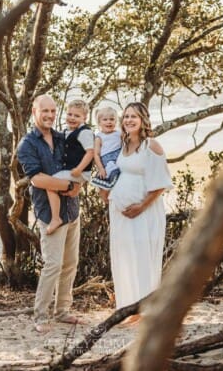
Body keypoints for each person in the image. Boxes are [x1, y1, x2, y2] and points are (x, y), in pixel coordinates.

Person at [17, 94, 84, 334]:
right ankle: (40, 314)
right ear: (34, 111)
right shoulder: (27, 144)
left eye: (53, 111)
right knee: (52, 264)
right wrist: (67, 186)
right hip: (49, 214)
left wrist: (78, 184)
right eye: (44, 111)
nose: (49, 115)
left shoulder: (62, 137)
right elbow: (37, 179)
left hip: (72, 210)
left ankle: (63, 310)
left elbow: (76, 166)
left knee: (70, 264)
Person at [108, 102, 173, 325]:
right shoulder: (123, 143)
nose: (128, 120)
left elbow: (161, 184)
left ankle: (143, 309)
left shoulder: (151, 146)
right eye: (126, 116)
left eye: (134, 116)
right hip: (122, 215)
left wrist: (141, 207)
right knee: (124, 257)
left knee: (142, 258)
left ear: (143, 119)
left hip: (144, 213)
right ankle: (128, 308)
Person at [46, 99, 94, 234]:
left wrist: (79, 169)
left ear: (85, 118)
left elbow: (90, 152)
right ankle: (70, 193)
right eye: (70, 114)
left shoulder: (84, 132)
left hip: (80, 171)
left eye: (77, 116)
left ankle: (56, 218)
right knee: (55, 182)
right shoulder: (66, 131)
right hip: (72, 171)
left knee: (50, 182)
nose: (72, 118)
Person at [91, 107, 121, 203]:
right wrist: (100, 168)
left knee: (118, 181)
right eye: (105, 119)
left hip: (118, 159)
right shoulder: (99, 137)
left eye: (112, 119)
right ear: (99, 122)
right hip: (107, 162)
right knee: (104, 185)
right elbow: (96, 154)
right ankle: (108, 203)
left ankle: (116, 199)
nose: (109, 122)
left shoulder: (119, 134)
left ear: (116, 121)